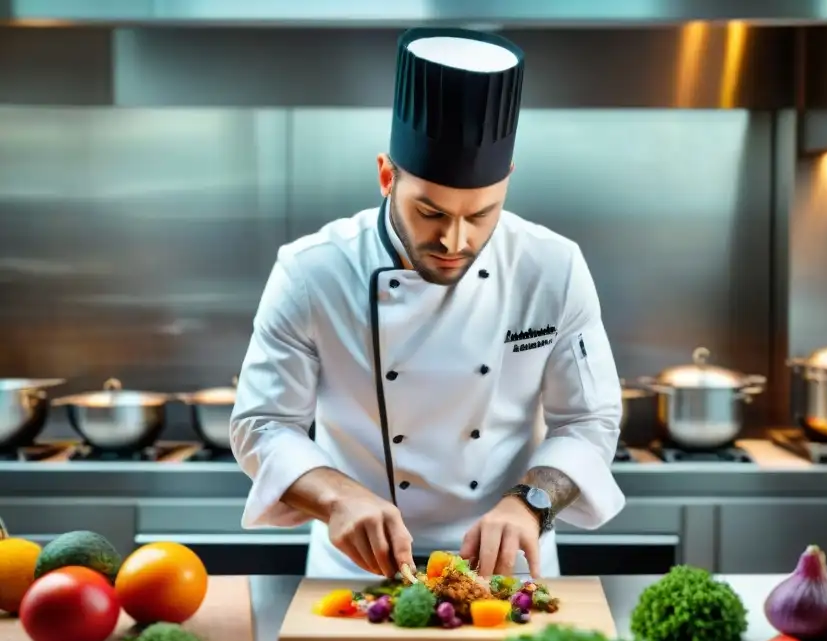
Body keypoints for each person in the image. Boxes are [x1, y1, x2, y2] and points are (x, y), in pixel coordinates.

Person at [229, 27, 625, 581]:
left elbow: (588, 420)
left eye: (482, 214)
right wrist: (337, 496)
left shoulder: (551, 268)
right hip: (357, 570)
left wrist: (531, 504)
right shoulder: (311, 272)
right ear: (387, 176)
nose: (456, 241)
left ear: (507, 183)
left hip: (505, 570)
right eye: (431, 213)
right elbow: (264, 423)